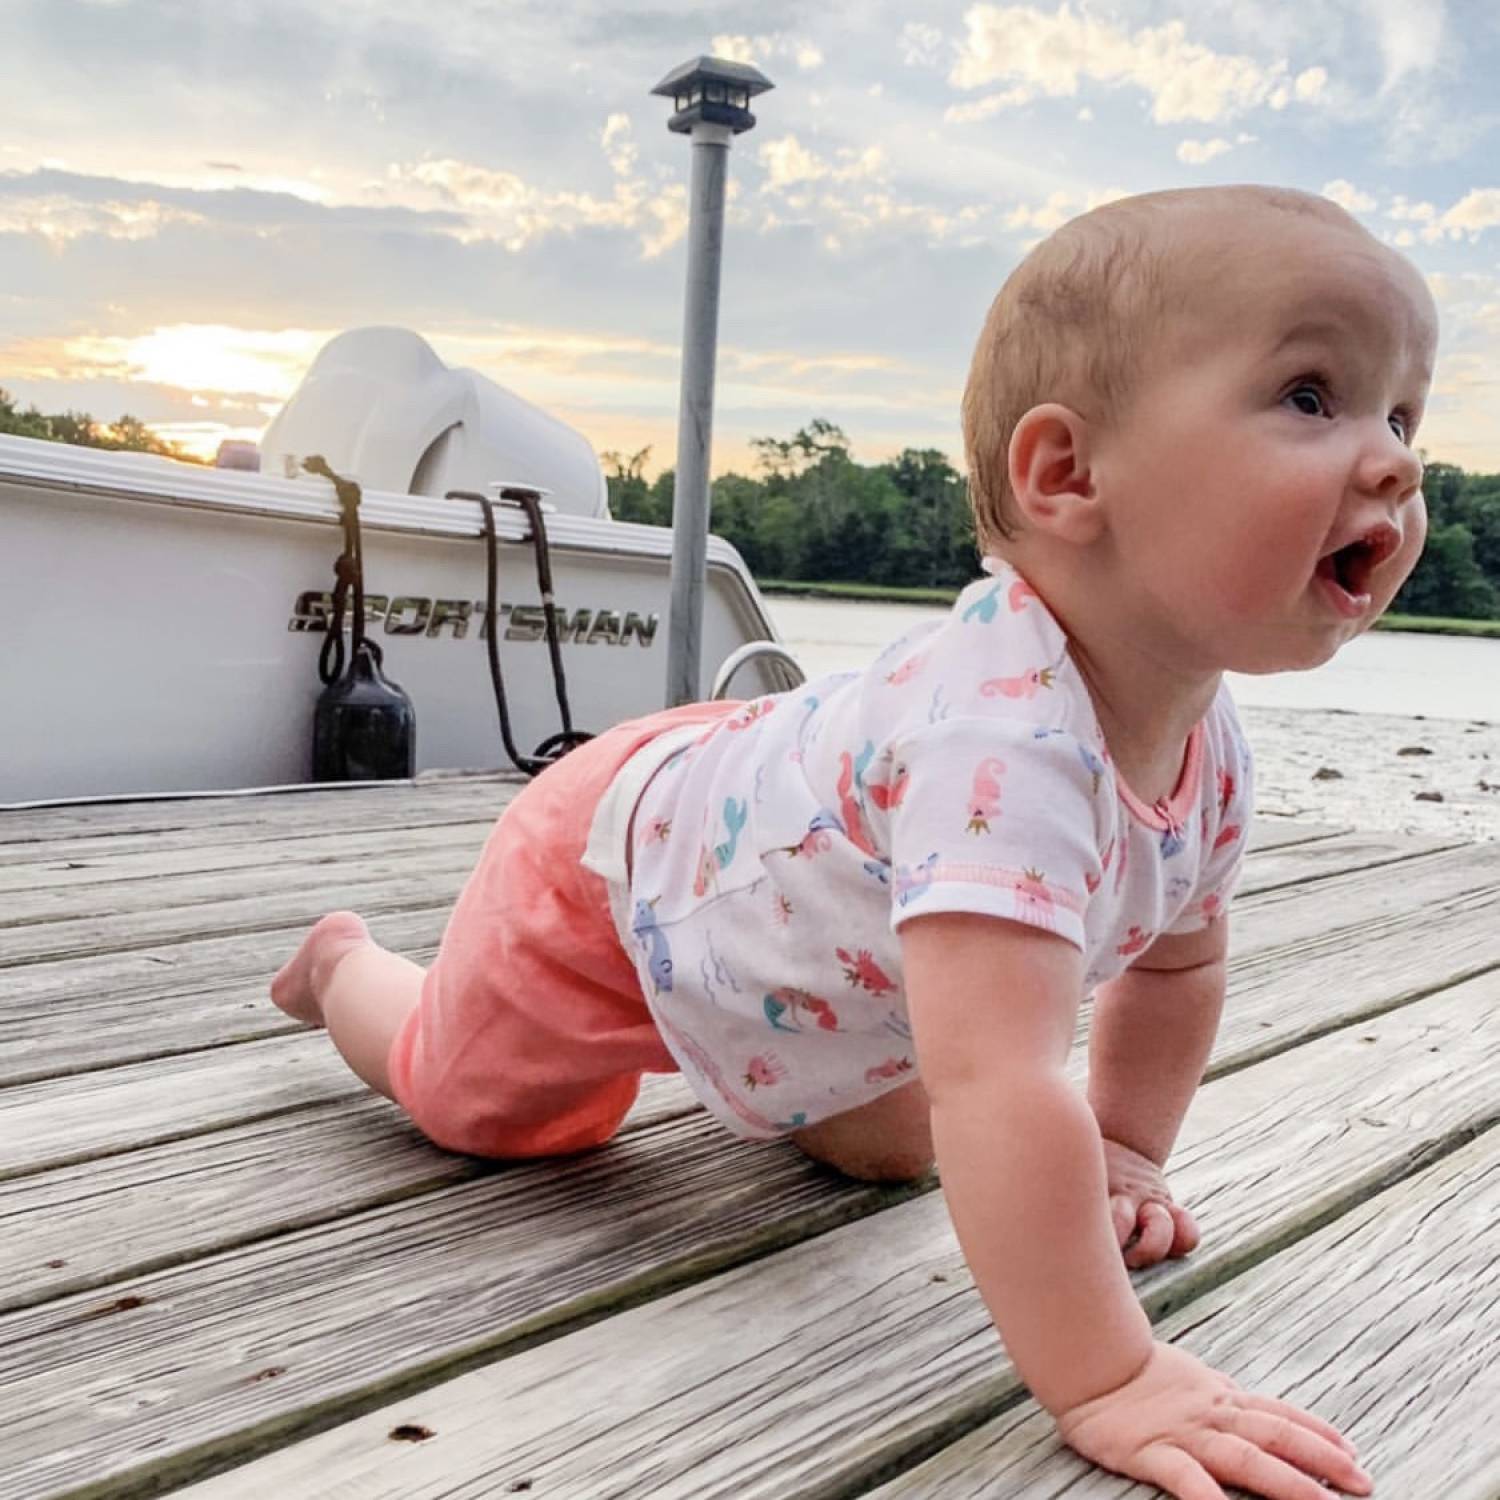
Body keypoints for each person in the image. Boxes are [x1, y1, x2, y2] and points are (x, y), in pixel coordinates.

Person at [273, 183, 1434, 1499]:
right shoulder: (1001, 745)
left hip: (798, 878)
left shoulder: (1205, 743)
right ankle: (347, 969)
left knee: (900, 1150)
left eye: (1403, 412)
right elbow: (1002, 1079)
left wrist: (1119, 1152)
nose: (1396, 460)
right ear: (1066, 475)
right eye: (1309, 396)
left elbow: (1175, 966)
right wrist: (1111, 1373)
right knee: (497, 1113)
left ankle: (770, 1059)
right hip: (618, 875)